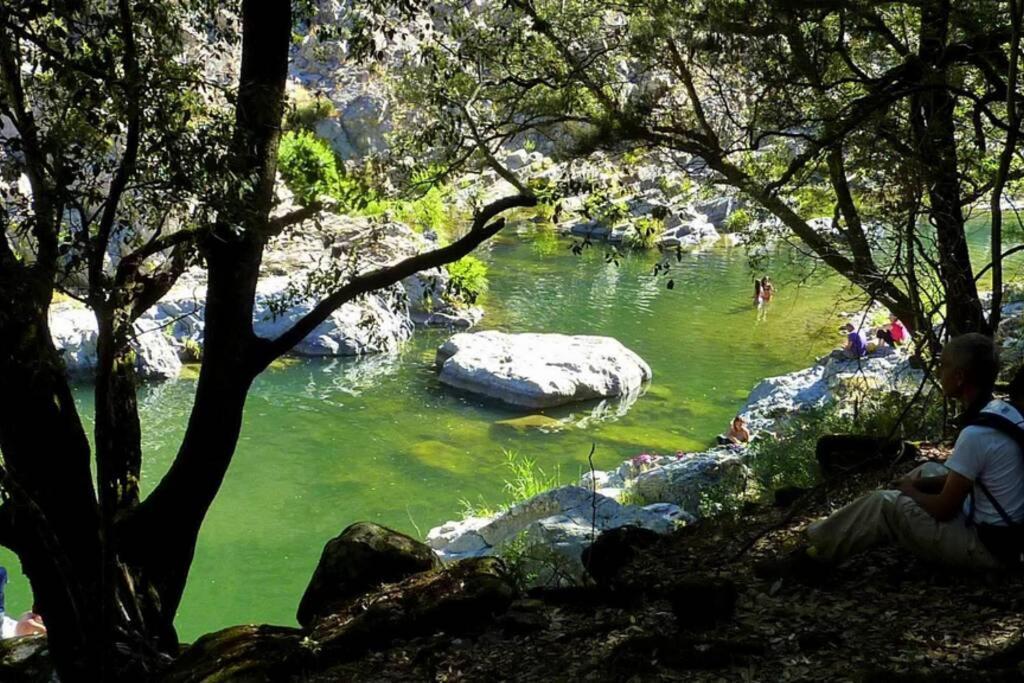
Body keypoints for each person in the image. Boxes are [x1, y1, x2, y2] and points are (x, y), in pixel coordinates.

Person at [758, 333, 1024, 578]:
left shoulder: (976, 434)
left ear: (960, 376)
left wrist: (910, 492)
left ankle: (813, 554)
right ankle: (846, 529)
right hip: (1010, 536)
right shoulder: (1003, 412)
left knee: (885, 503)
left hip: (990, 551)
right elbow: (975, 479)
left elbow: (944, 510)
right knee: (928, 470)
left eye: (944, 365)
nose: (939, 371)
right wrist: (918, 484)